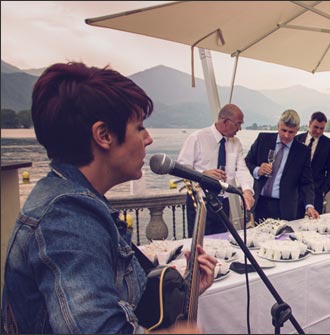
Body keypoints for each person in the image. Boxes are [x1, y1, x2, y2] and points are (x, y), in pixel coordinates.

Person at [0, 62, 217, 334]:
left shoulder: (81, 205)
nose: (148, 139)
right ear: (103, 135)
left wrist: (186, 291)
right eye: (139, 127)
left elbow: (128, 303)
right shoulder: (66, 219)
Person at [177, 104, 255, 236]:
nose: (240, 129)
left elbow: (242, 170)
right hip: (200, 203)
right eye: (237, 124)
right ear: (225, 122)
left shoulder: (236, 143)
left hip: (223, 203)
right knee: (199, 245)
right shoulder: (197, 138)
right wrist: (203, 175)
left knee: (222, 244)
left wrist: (247, 191)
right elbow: (181, 169)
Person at [245, 109, 319, 222]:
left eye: (291, 132)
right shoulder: (263, 139)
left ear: (297, 130)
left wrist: (309, 206)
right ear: (278, 126)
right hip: (260, 203)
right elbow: (247, 162)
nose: (286, 135)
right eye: (283, 130)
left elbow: (307, 182)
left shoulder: (302, 151)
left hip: (286, 208)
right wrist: (257, 170)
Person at [295, 111, 330, 214]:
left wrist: (323, 190)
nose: (318, 131)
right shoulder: (296, 140)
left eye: (322, 128)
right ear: (310, 124)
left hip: (316, 192)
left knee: (315, 223)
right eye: (316, 127)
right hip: (295, 191)